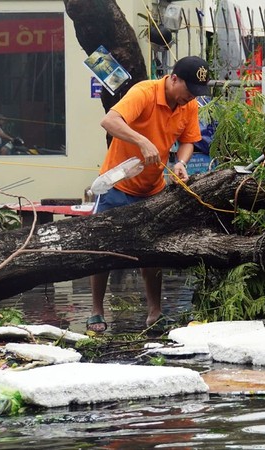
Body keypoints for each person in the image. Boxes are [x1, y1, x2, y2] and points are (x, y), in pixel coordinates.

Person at [87, 55, 210, 333]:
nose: (190, 98)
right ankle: (96, 311)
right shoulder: (144, 92)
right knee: (101, 248)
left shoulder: (187, 104)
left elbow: (190, 141)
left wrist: (181, 162)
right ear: (174, 78)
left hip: (152, 188)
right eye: (188, 91)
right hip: (117, 185)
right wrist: (142, 141)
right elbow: (109, 121)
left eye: (195, 94)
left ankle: (154, 312)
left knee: (152, 252)